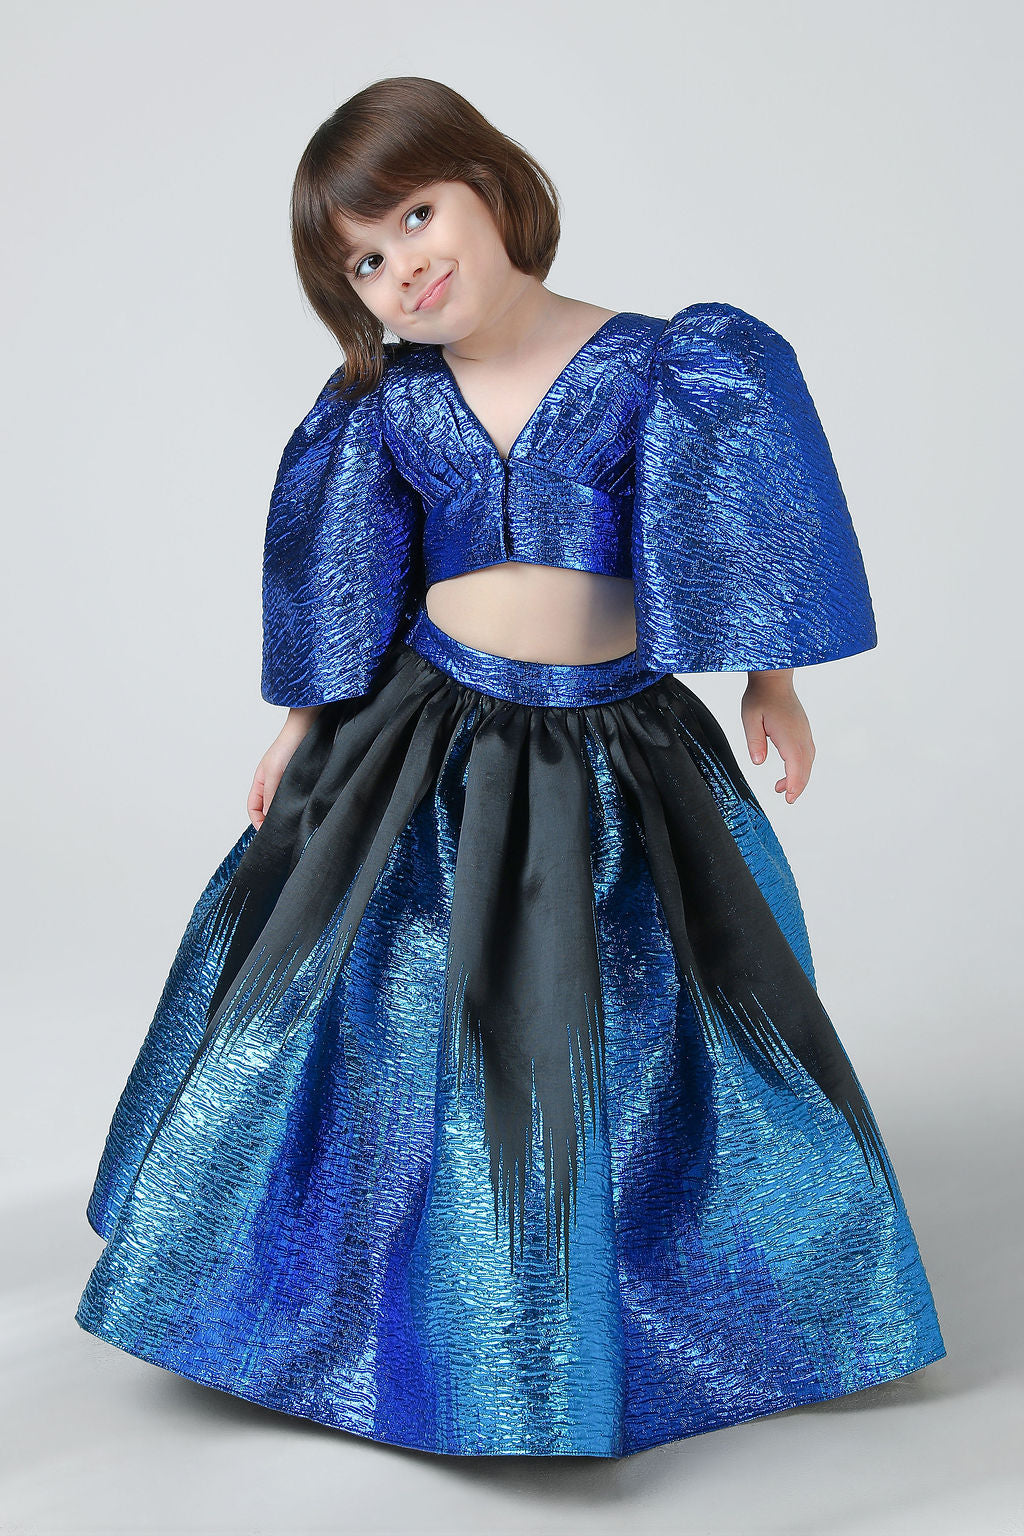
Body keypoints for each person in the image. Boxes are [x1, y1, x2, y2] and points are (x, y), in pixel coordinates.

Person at [75, 75, 946, 1459]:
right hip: (429, 738)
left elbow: (738, 531)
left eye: (417, 217)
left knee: (663, 1004)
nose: (404, 269)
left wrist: (770, 680)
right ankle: (369, 1291)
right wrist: (303, 722)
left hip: (622, 745)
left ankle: (677, 1291)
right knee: (390, 1000)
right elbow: (346, 573)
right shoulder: (383, 405)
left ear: (490, 187)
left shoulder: (666, 366)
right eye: (366, 262)